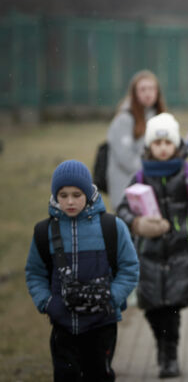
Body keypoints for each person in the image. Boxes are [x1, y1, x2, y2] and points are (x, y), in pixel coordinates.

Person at [117, 113, 188, 378]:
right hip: (147, 254)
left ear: (176, 144)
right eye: (157, 143)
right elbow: (122, 210)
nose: (162, 148)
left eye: (167, 142)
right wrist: (137, 224)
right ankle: (160, 346)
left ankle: (169, 355)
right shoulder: (140, 176)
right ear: (149, 146)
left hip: (179, 254)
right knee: (151, 307)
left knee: (171, 309)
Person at [25, 160, 139, 382]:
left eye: (77, 194)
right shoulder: (44, 232)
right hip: (63, 326)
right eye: (63, 195)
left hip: (102, 325)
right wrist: (48, 303)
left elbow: (130, 268)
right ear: (55, 196)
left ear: (89, 192)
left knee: (99, 376)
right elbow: (34, 272)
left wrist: (111, 298)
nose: (69, 201)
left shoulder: (111, 227)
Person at [107, 70, 167, 211]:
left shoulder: (159, 117)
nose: (148, 93)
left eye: (152, 89)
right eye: (143, 89)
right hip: (127, 189)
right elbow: (126, 159)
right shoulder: (124, 119)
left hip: (152, 188)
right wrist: (155, 169)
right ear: (134, 93)